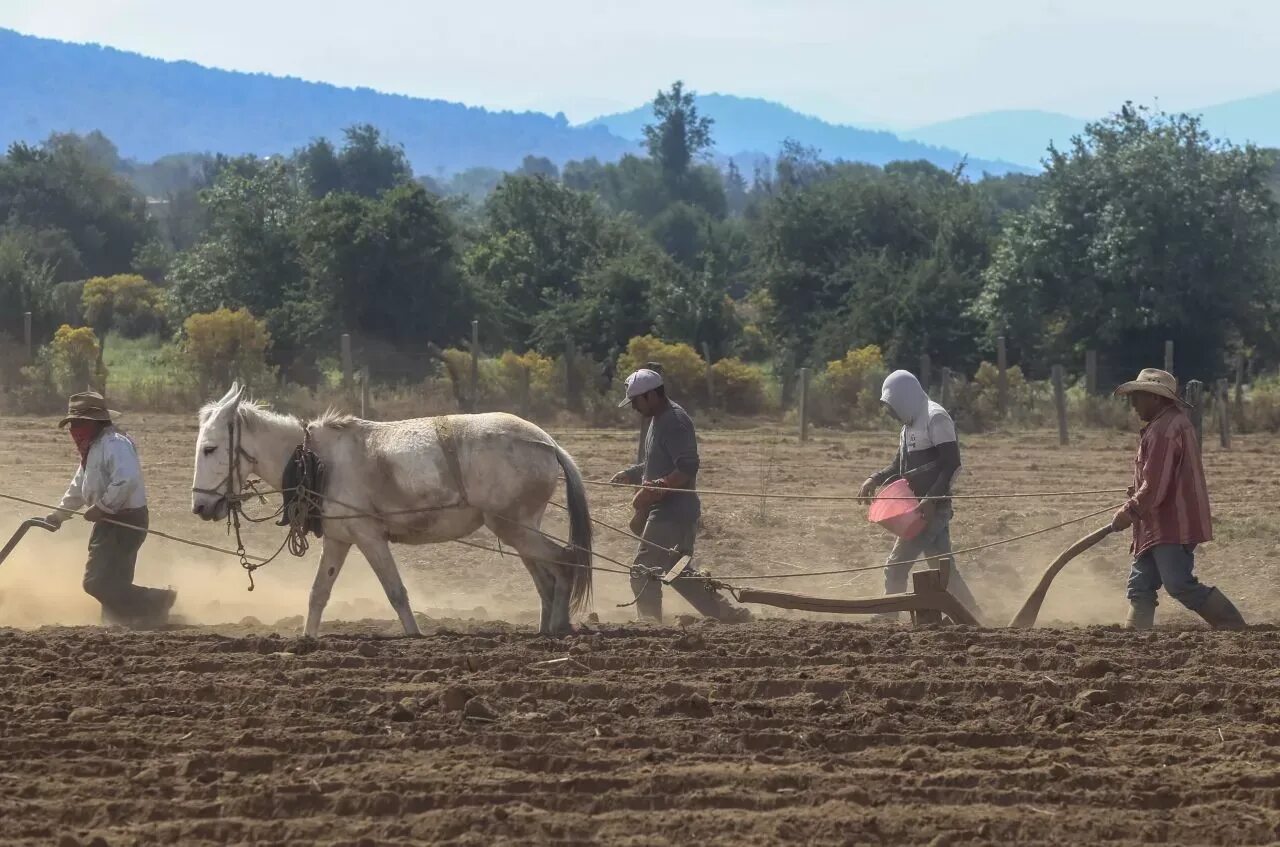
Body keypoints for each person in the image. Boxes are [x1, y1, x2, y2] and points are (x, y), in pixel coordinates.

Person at [611, 368, 750, 623]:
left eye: (636, 402)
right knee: (676, 571)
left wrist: (653, 490)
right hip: (670, 512)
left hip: (672, 513)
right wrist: (631, 474)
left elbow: (687, 467)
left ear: (651, 395)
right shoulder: (658, 420)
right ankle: (727, 614)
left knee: (643, 571)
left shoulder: (674, 421)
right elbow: (659, 462)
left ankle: (650, 625)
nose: (634, 408)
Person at [1111, 369, 1244, 629]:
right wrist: (1137, 492)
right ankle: (1134, 641)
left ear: (1157, 398)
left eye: (1138, 397)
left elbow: (1156, 486)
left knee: (1178, 584)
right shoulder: (1169, 423)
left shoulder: (1164, 429)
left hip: (1172, 523)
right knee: (1140, 585)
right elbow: (1159, 478)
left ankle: (1234, 627)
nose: (1134, 404)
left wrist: (1130, 510)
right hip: (1157, 522)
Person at [44, 392, 177, 628]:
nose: (75, 429)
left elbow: (127, 480)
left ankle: (158, 600)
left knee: (95, 582)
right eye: (73, 424)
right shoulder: (93, 448)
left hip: (125, 521)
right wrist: (59, 515)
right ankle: (122, 622)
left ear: (96, 422)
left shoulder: (115, 443)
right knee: (114, 580)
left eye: (79, 423)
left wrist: (103, 507)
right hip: (109, 521)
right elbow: (79, 486)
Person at [858, 370, 981, 617]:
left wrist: (931, 499)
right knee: (944, 570)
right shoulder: (909, 425)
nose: (890, 412)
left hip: (929, 512)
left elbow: (951, 465)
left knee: (896, 566)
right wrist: (874, 478)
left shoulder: (935, 418)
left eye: (892, 405)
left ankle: (887, 618)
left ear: (905, 397)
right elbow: (898, 466)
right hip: (918, 510)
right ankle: (974, 617)